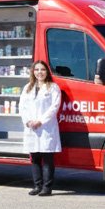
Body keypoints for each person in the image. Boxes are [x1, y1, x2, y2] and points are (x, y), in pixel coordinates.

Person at [19, 60, 62, 196]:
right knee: (35, 158)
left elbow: (54, 107)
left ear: (47, 71)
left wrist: (40, 121)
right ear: (33, 72)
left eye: (42, 69)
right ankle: (37, 186)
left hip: (46, 127)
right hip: (32, 127)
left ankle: (47, 187)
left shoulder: (53, 87)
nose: (39, 72)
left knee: (47, 158)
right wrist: (28, 121)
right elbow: (22, 107)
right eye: (37, 70)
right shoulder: (28, 87)